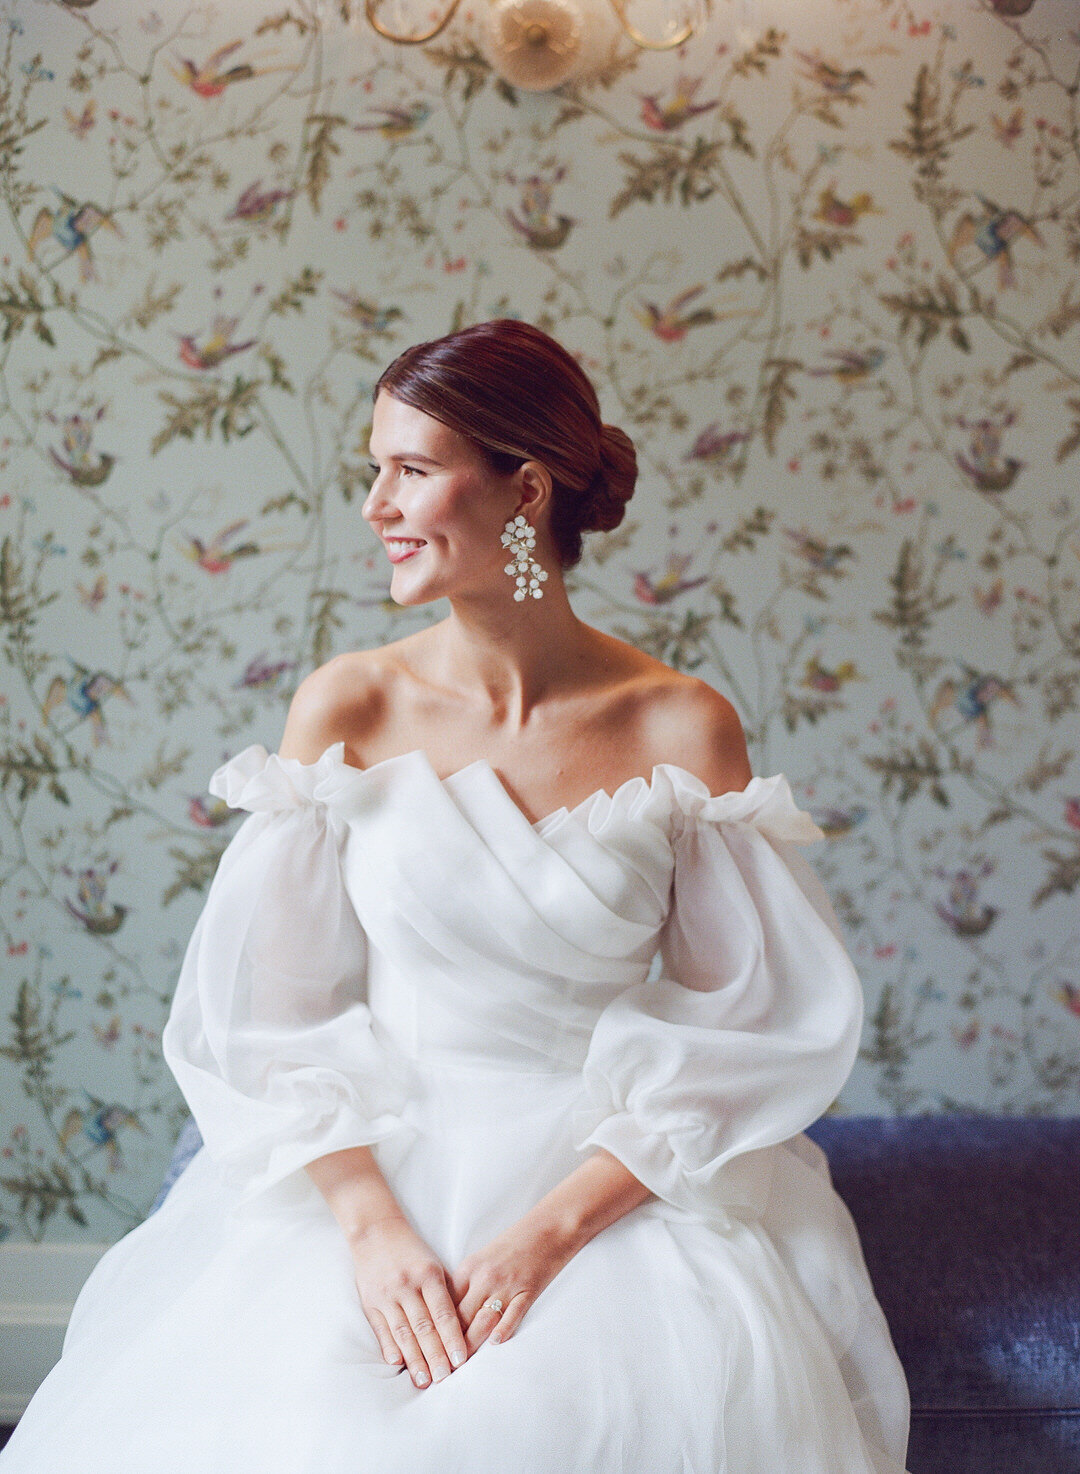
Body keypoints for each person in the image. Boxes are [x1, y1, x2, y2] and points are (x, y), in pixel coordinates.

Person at [1, 319, 911, 1473]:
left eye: (412, 469)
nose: (377, 503)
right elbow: (270, 1016)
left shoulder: (681, 724)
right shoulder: (349, 708)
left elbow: (751, 1026)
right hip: (371, 1173)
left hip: (604, 1193)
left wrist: (546, 1239)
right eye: (373, 468)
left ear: (524, 488)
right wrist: (374, 1234)